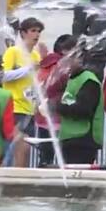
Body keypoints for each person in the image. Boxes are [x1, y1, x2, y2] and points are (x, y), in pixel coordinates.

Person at [1, 17, 46, 168]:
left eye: (39, 31)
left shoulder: (36, 55)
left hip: (29, 109)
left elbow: (35, 82)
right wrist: (27, 69)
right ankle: (14, 186)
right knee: (20, 149)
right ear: (23, 33)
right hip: (15, 107)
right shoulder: (12, 52)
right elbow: (3, 75)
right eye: (33, 31)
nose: (37, 35)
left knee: (26, 153)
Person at [35, 34, 77, 167]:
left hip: (42, 119)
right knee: (63, 161)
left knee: (45, 159)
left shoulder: (44, 67)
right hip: (59, 119)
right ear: (65, 51)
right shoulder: (62, 68)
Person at [57, 47, 104, 165]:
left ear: (79, 60)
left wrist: (57, 107)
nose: (64, 63)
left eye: (68, 58)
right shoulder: (72, 79)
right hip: (70, 138)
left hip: (82, 140)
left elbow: (83, 109)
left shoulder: (88, 81)